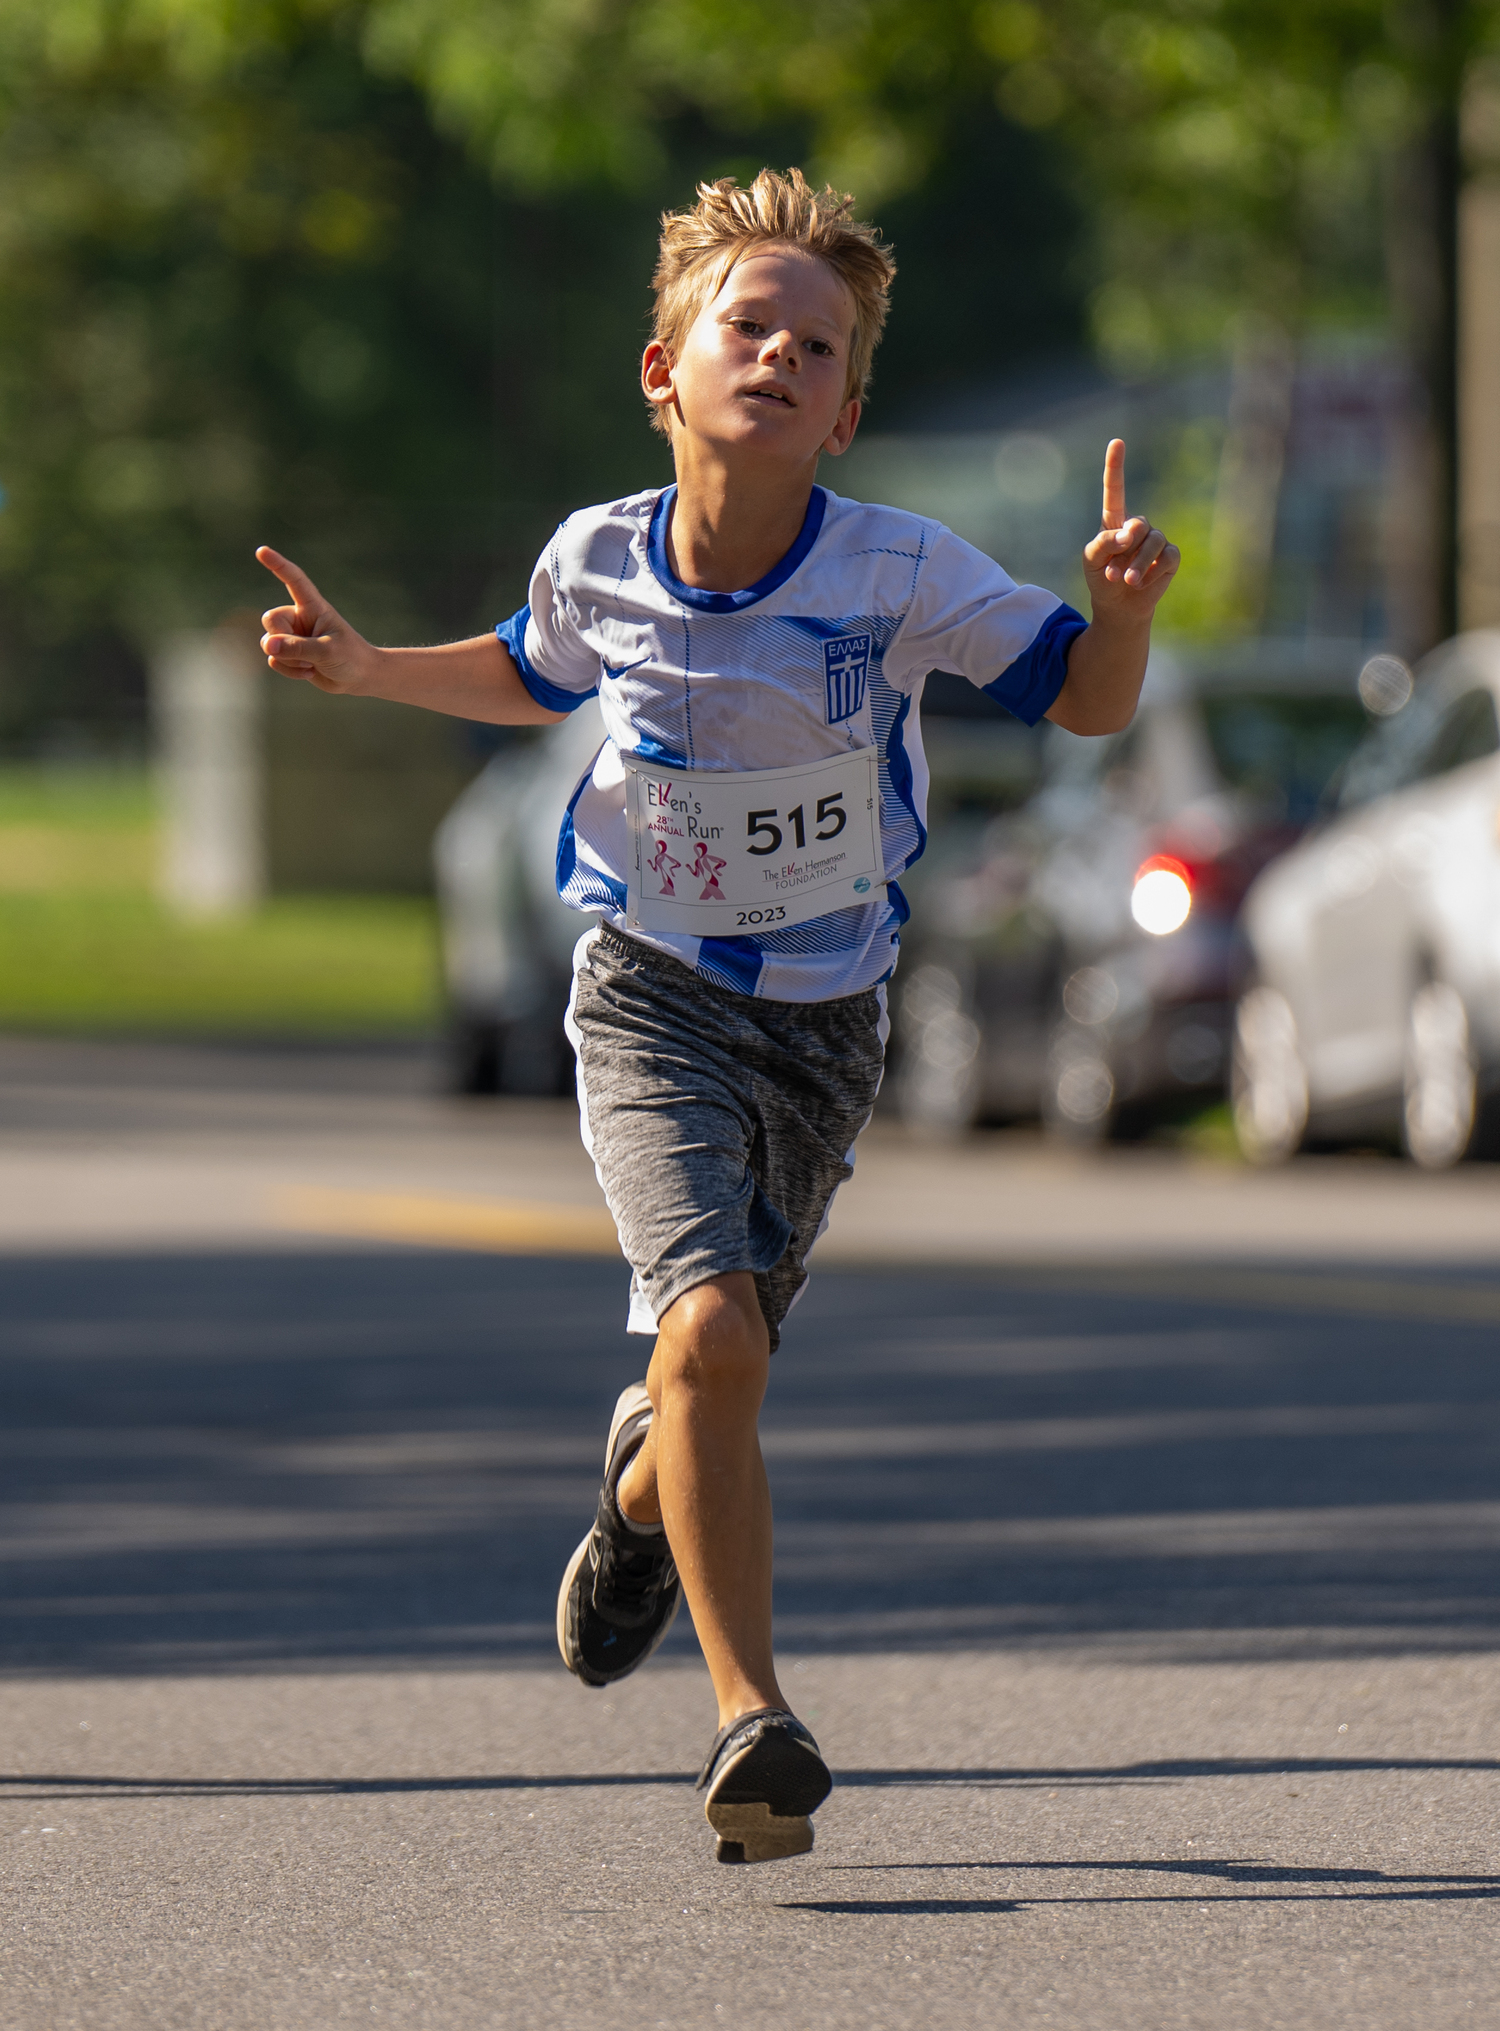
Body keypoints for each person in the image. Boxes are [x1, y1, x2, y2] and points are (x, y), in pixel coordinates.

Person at [255, 167, 1180, 1866]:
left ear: (844, 412)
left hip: (831, 1020)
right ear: (663, 369)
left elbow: (1084, 704)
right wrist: (373, 665)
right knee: (718, 1339)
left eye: (814, 347)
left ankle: (632, 1507)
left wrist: (1118, 615)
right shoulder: (597, 558)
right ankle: (753, 1720)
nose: (777, 355)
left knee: (711, 1378)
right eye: (745, 326)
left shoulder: (902, 569)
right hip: (650, 996)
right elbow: (532, 670)